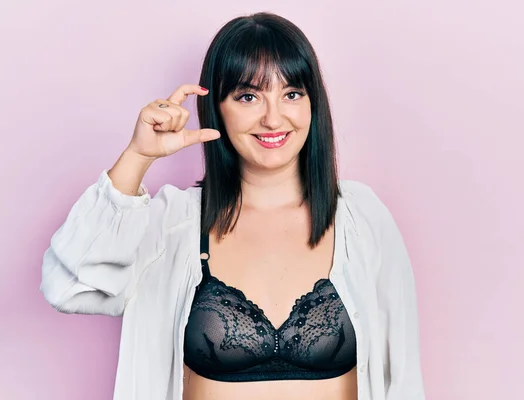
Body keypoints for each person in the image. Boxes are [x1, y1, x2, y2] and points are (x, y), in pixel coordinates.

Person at [40, 12, 425, 400]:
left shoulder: (362, 218)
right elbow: (69, 287)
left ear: (313, 105)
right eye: (248, 96)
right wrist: (138, 156)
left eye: (292, 94)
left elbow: (403, 378)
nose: (273, 118)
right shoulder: (173, 222)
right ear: (217, 107)